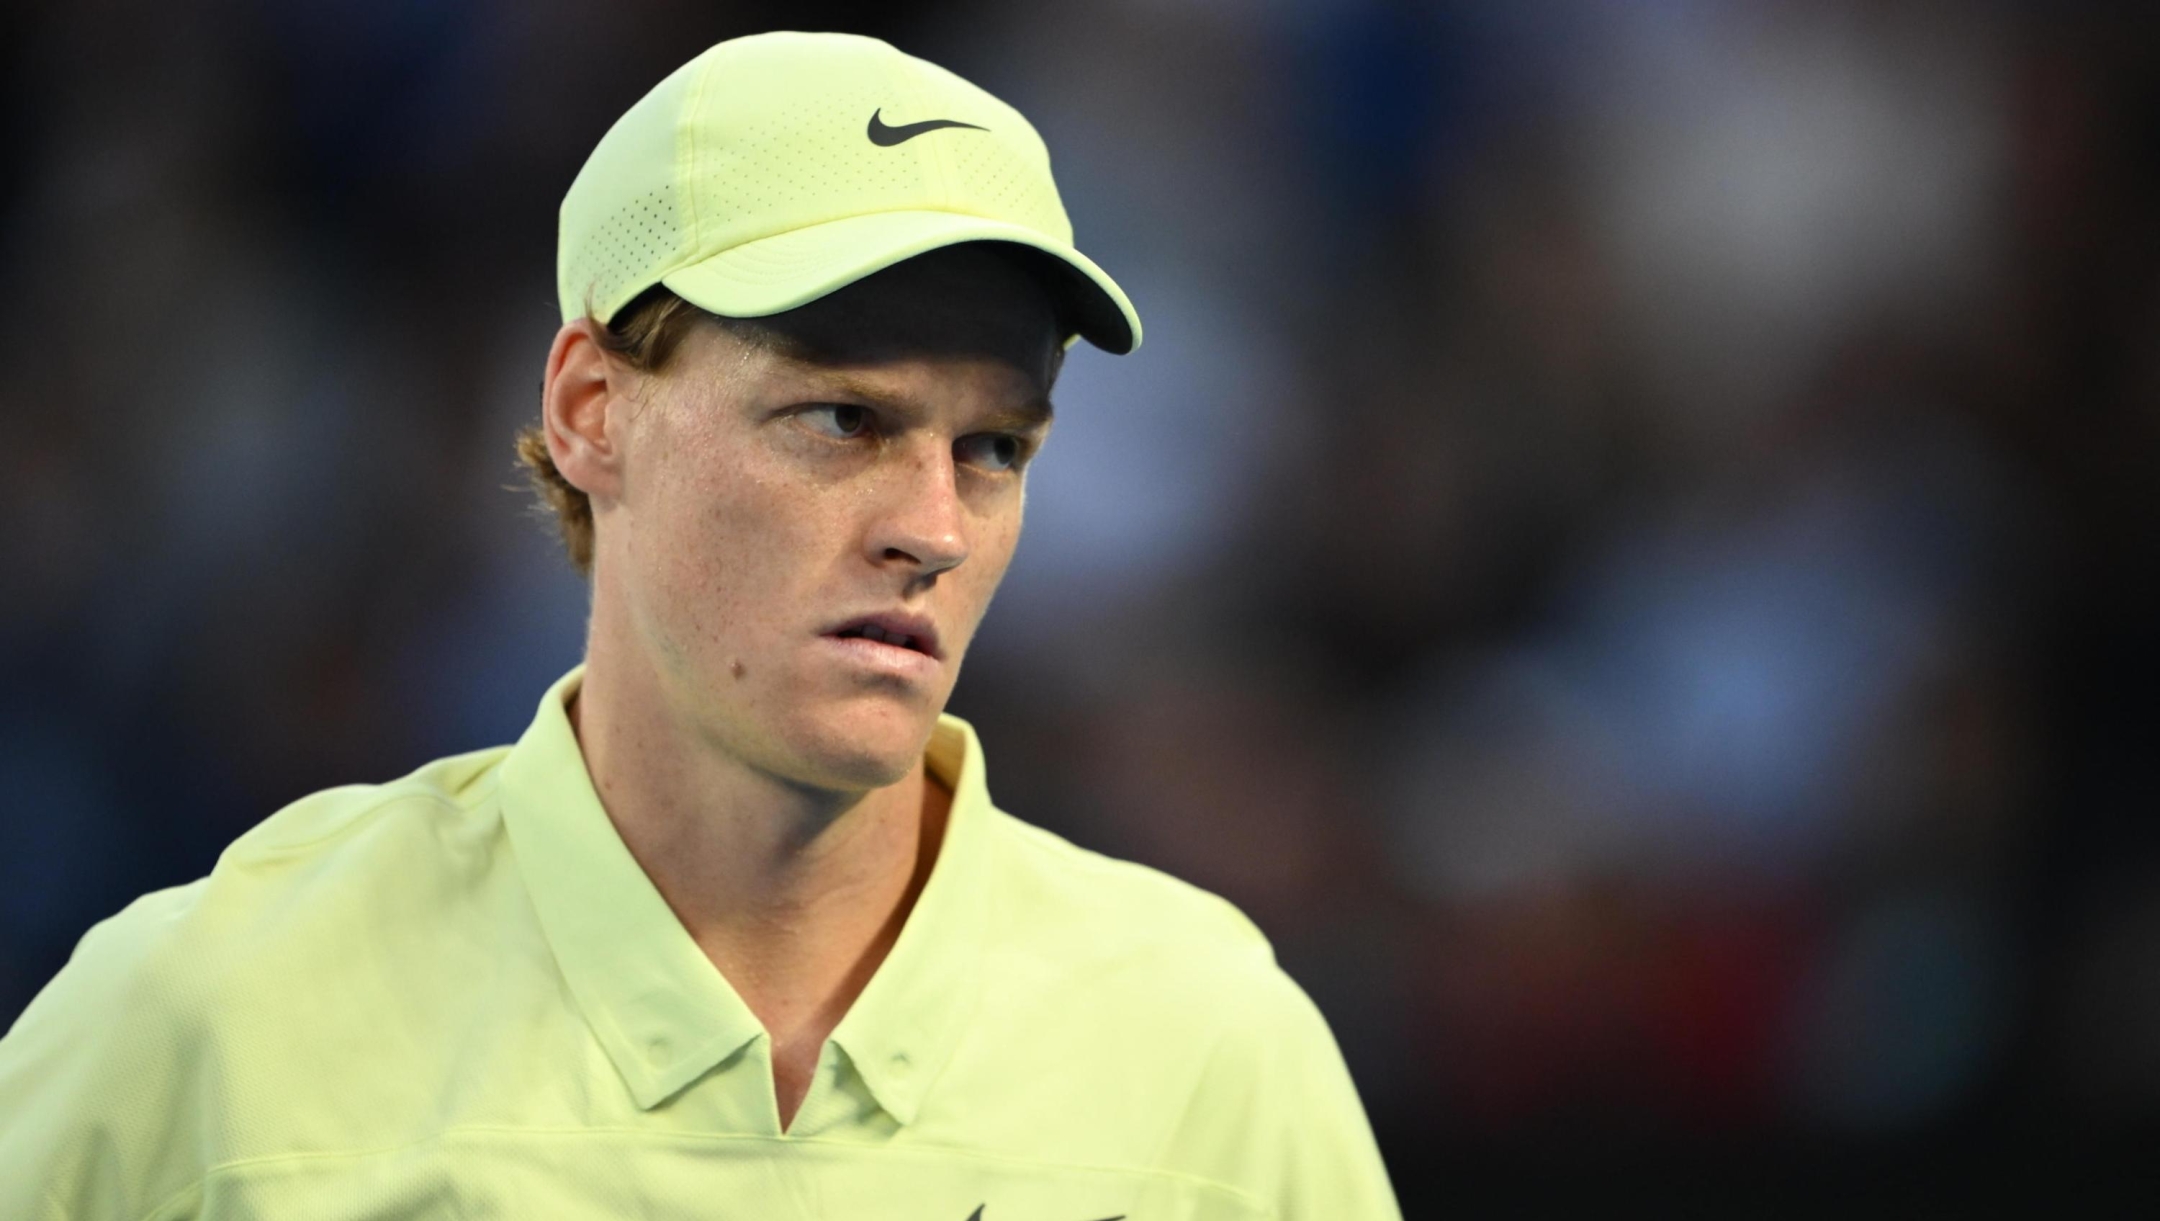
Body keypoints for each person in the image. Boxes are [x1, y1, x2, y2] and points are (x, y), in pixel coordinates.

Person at [0, 30, 1400, 1220]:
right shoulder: (205, 1023)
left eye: (992, 448)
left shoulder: (1215, 1052)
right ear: (591, 411)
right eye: (842, 418)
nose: (935, 524)